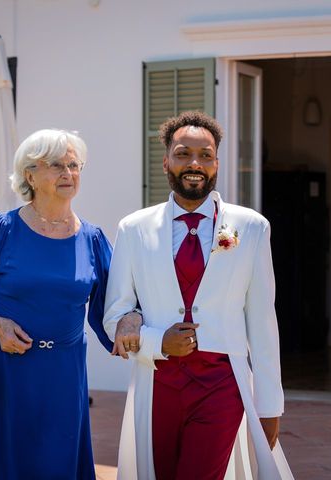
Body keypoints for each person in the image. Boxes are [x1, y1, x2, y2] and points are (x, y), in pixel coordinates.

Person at [103, 111, 293, 479]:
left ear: (217, 163)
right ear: (166, 161)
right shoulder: (133, 229)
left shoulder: (251, 227)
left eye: (205, 155)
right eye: (183, 153)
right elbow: (115, 317)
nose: (194, 164)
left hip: (222, 386)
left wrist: (269, 405)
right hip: (156, 383)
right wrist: (159, 341)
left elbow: (262, 322)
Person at [0, 129, 113, 480]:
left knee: (62, 462)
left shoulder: (93, 238)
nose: (68, 173)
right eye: (55, 165)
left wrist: (146, 335)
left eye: (74, 164)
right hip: (9, 372)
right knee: (14, 465)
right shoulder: (2, 229)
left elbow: (114, 309)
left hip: (65, 373)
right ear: (29, 175)